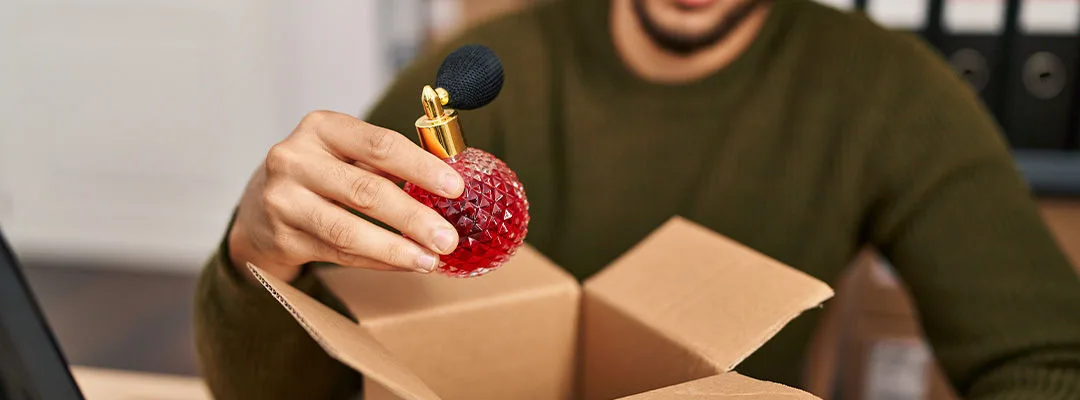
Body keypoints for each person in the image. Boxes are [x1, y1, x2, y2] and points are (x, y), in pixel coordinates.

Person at [194, 0, 1080, 398]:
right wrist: (259, 258)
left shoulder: (887, 87)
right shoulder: (487, 65)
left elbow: (1047, 364)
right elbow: (286, 391)